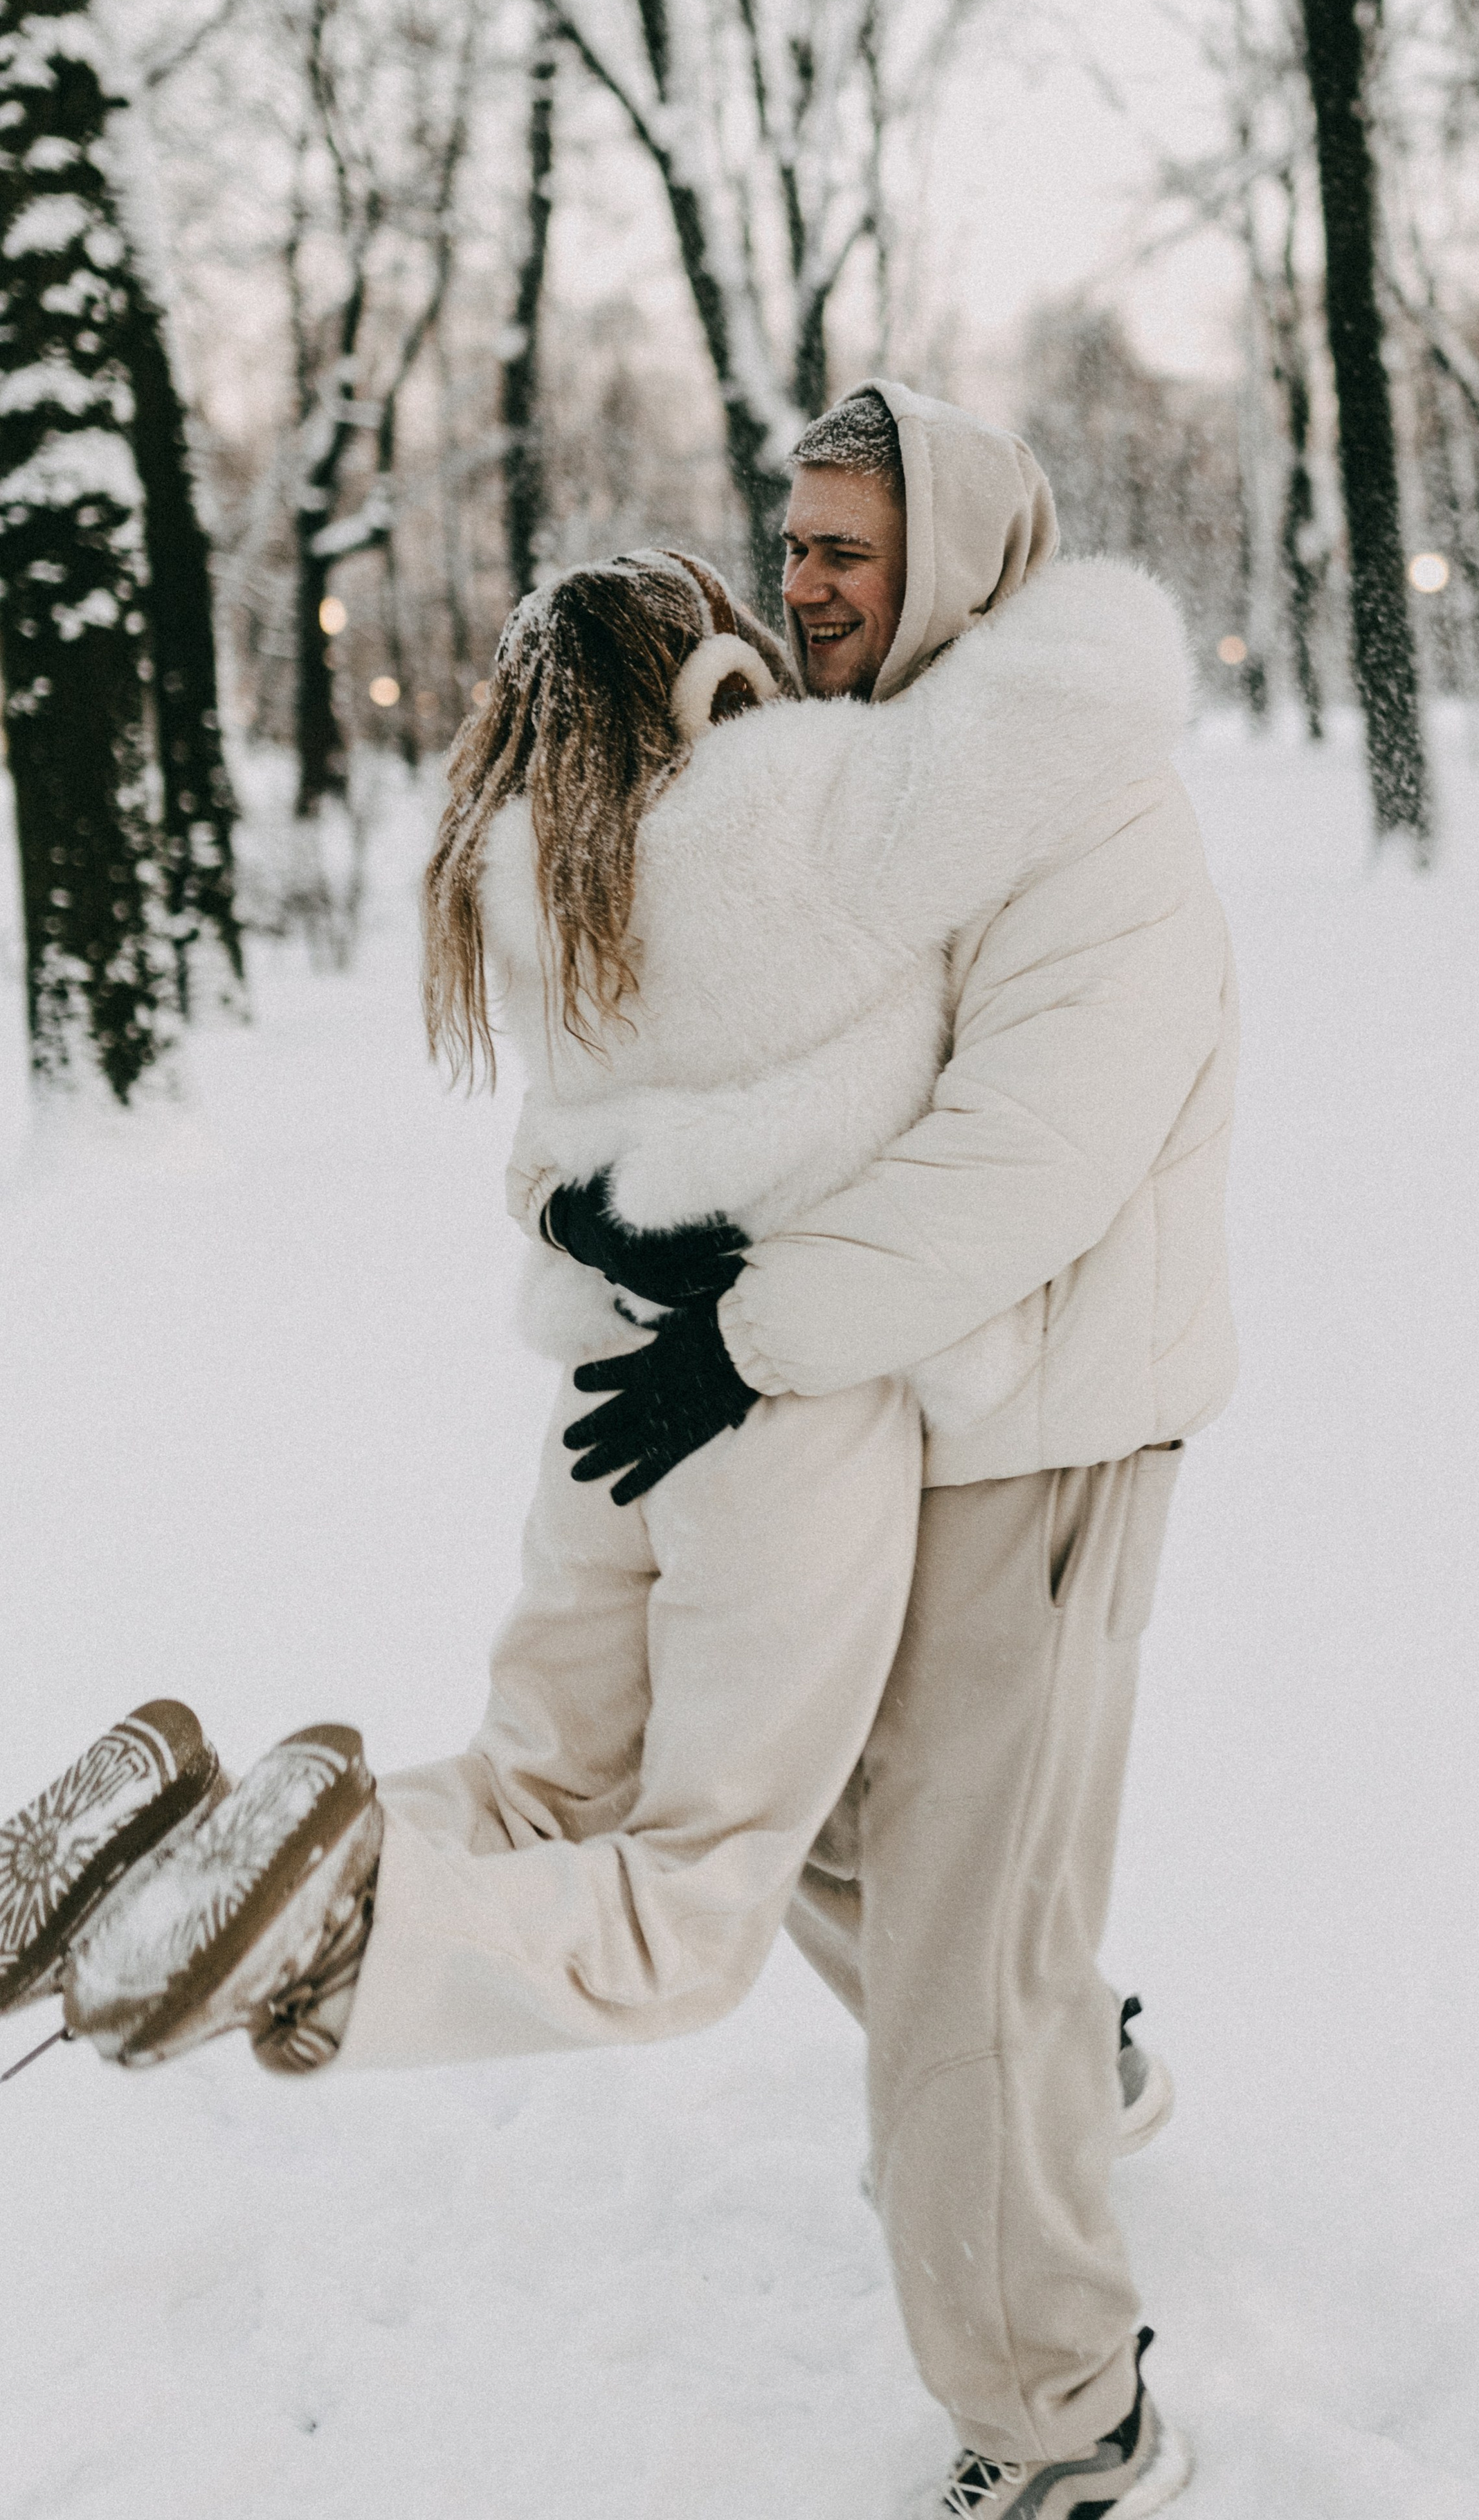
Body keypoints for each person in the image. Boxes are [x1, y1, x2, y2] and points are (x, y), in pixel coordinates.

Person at [1, 388, 1233, 2514]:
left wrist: (735, 1322)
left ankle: (1063, 2414)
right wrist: (606, 1222)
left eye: (850, 548)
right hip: (843, 1392)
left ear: (952, 553)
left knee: (951, 1927)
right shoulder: (855, 777)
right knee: (860, 1845)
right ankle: (1061, 2060)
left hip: (1034, 1421)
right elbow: (680, 1056)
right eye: (797, 539)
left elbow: (1023, 1161)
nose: (807, 581)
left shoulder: (1084, 804)